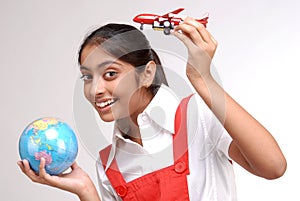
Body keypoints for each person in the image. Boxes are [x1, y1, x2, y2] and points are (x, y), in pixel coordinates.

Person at [17, 17, 287, 201]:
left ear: (147, 74)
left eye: (110, 74)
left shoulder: (198, 116)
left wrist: (202, 79)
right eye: (87, 77)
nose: (95, 89)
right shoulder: (108, 164)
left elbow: (272, 167)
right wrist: (86, 191)